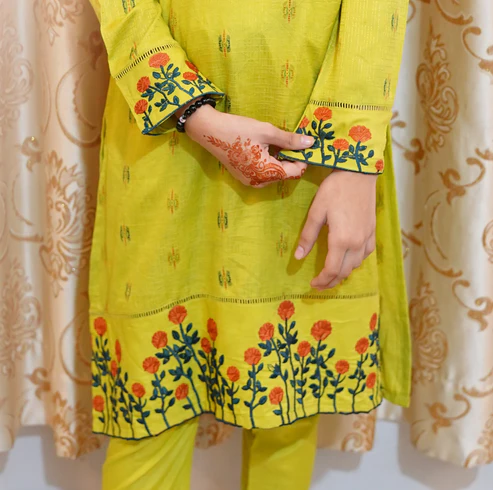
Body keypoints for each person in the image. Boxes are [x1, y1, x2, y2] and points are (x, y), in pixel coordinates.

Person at [88, 0, 411, 488]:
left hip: (313, 136)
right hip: (167, 137)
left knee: (289, 411)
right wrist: (191, 111)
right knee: (150, 418)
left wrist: (353, 160)